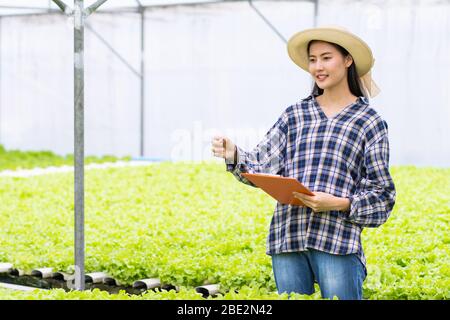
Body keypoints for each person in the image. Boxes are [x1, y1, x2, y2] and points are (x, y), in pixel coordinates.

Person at [210, 25, 396, 300]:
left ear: (347, 61)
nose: (317, 66)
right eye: (312, 59)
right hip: (288, 237)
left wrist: (337, 203)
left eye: (326, 57)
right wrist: (234, 153)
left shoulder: (369, 122)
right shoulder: (295, 114)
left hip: (336, 238)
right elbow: (261, 163)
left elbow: (382, 194)